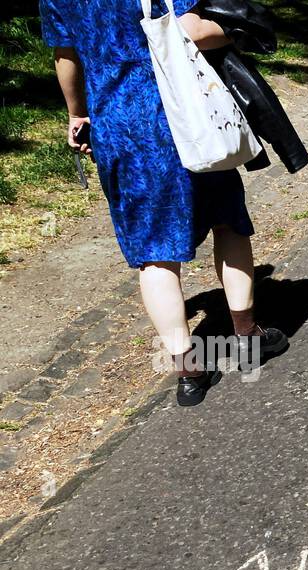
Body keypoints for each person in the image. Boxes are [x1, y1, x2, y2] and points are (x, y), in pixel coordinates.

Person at [39, 0, 287, 407]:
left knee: (154, 255)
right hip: (188, 115)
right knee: (228, 222)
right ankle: (246, 337)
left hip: (120, 126)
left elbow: (65, 55)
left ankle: (189, 372)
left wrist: (76, 113)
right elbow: (197, 28)